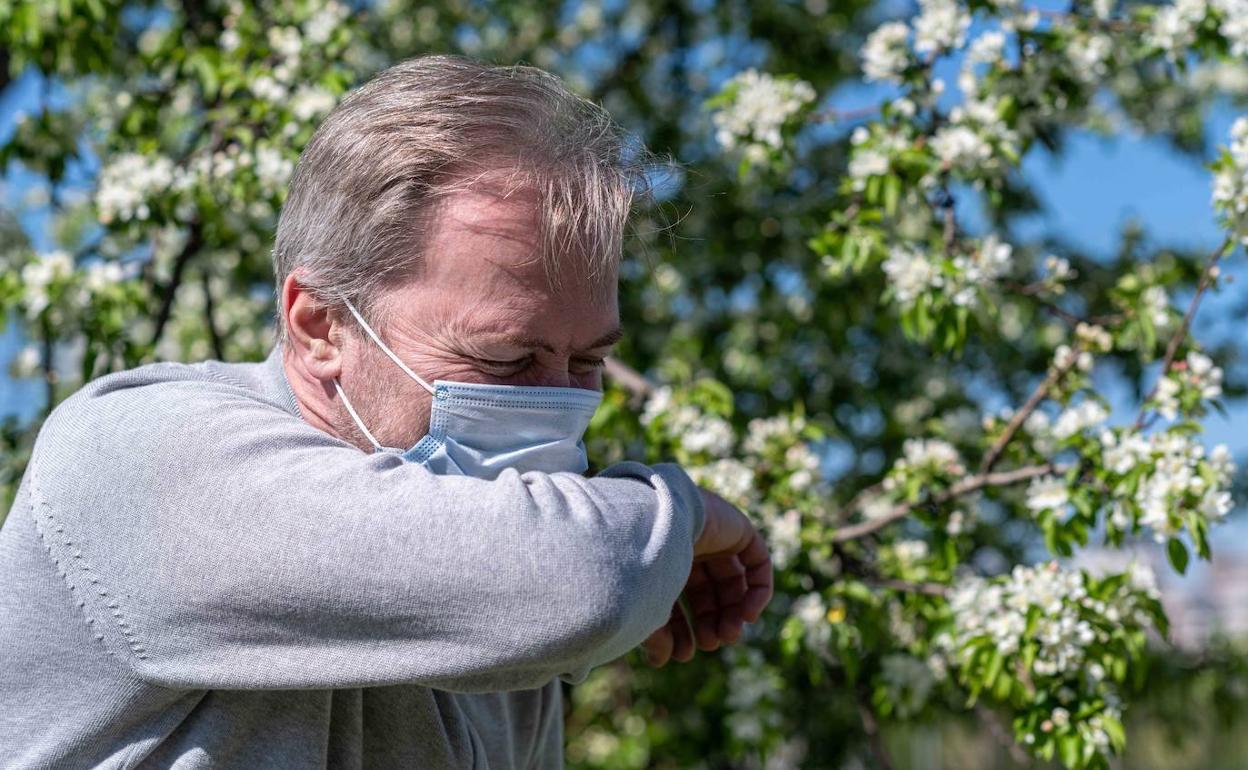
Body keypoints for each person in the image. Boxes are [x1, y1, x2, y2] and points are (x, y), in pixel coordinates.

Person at [0, 54, 773, 768]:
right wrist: (678, 517)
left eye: (588, 362)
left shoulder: (504, 637)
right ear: (320, 325)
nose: (558, 402)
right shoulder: (136, 451)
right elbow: (584, 581)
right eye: (504, 359)